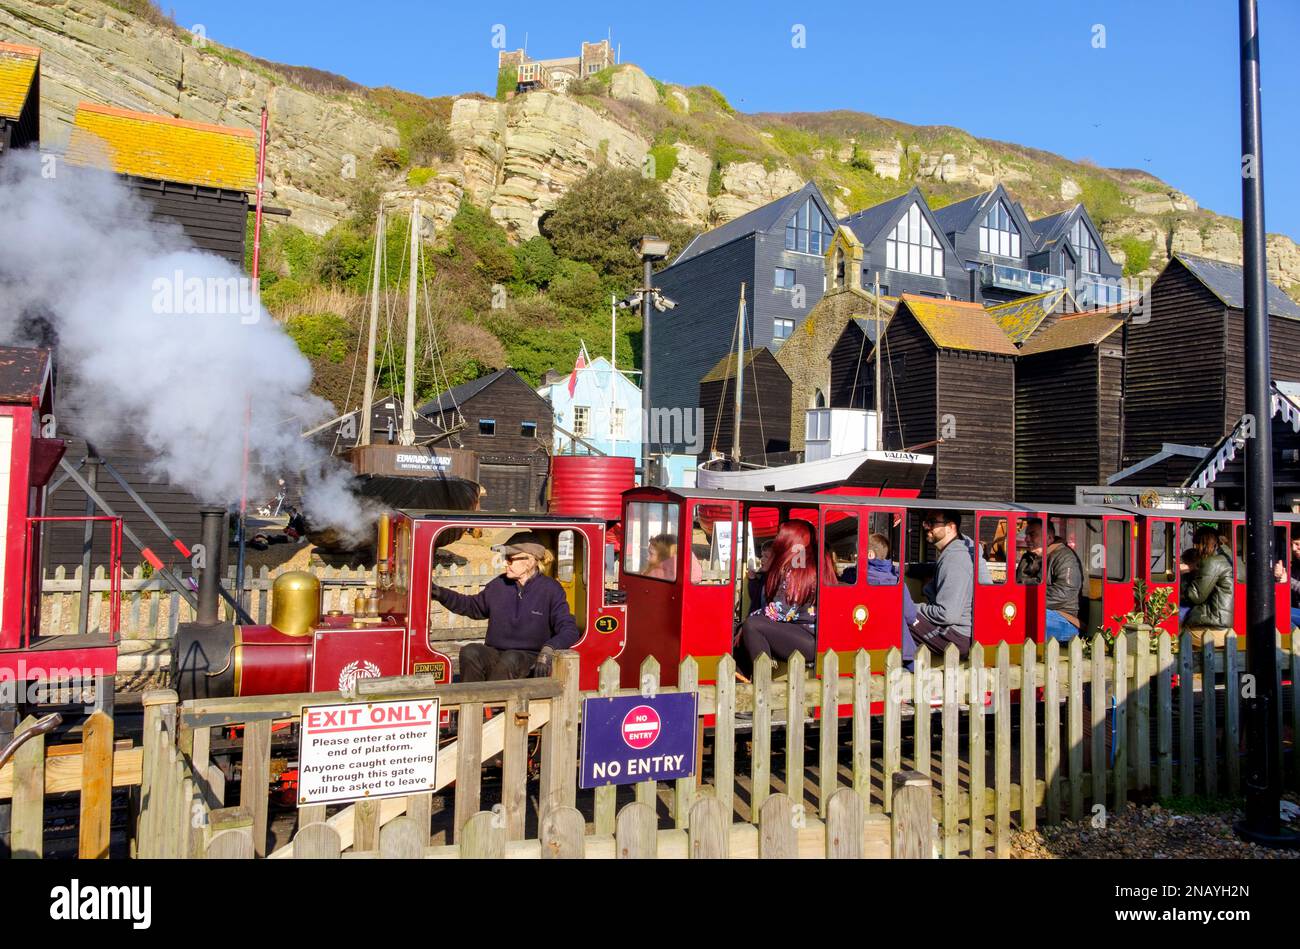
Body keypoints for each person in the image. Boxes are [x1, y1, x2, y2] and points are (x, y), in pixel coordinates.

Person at [430, 531, 580, 681]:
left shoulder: (551, 589)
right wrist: (440, 593)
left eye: (509, 559)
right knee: (470, 652)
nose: (504, 563)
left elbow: (569, 630)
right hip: (497, 653)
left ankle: (495, 704)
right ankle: (471, 701)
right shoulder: (498, 585)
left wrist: (548, 649)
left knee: (511, 658)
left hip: (530, 658)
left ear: (530, 560)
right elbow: (471, 606)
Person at [737, 519, 821, 673]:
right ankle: (742, 680)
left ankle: (762, 681)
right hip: (799, 631)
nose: (778, 541)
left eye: (781, 537)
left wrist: (746, 622)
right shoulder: (802, 566)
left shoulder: (797, 571)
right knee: (746, 629)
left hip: (807, 638)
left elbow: (781, 612)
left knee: (752, 626)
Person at [908, 510, 974, 658]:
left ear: (951, 527)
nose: (926, 526)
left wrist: (911, 607)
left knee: (901, 616)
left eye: (932, 522)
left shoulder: (954, 559)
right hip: (952, 632)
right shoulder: (950, 554)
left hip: (955, 636)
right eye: (926, 522)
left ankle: (906, 666)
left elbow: (946, 614)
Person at [1016, 522, 1084, 642]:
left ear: (1049, 538)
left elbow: (1064, 593)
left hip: (1065, 618)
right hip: (1033, 608)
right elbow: (1016, 584)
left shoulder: (1065, 557)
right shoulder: (1027, 558)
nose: (1026, 539)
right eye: (1026, 535)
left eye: (1032, 534)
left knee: (1026, 617)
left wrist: (1027, 600)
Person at [1181, 526, 1234, 647]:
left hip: (1212, 625)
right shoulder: (1229, 558)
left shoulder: (1213, 562)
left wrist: (1183, 576)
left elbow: (1195, 596)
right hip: (1225, 623)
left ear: (1204, 543)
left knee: (1176, 634)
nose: (1196, 549)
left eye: (1197, 545)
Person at [1272, 535, 1300, 630]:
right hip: (1296, 608)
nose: (1294, 548)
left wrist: (1288, 580)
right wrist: (1279, 576)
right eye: (1292, 544)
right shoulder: (1295, 564)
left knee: (1279, 613)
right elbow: (1286, 580)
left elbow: (1290, 582)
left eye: (1297, 544)